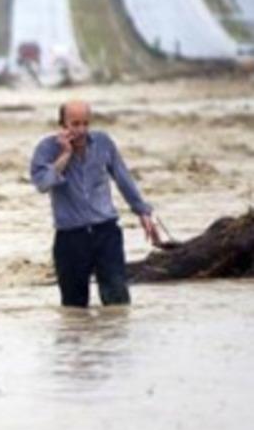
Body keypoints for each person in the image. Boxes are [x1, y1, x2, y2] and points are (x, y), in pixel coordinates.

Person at [30, 101, 161, 308]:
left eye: (85, 123)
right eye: (74, 124)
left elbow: (122, 177)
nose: (81, 130)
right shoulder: (47, 148)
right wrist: (65, 155)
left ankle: (114, 341)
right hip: (70, 237)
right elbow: (43, 184)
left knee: (118, 304)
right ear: (62, 125)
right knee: (74, 310)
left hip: (106, 233)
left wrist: (143, 212)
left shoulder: (103, 142)